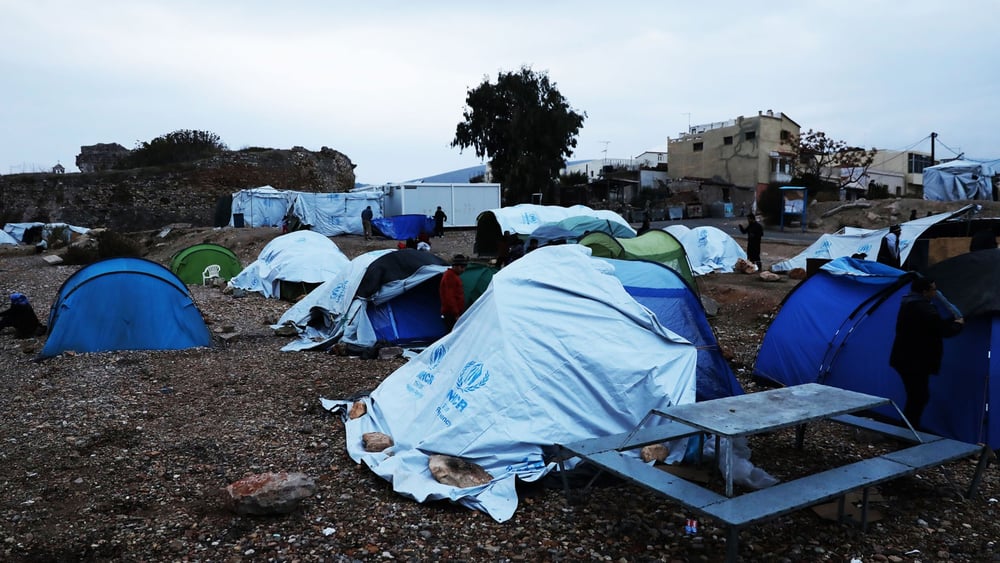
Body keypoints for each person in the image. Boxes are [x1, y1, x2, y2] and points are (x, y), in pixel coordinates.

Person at [889, 275, 964, 429]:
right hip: (915, 362)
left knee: (916, 395)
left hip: (905, 359)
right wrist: (958, 324)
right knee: (919, 397)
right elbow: (942, 330)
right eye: (933, 290)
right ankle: (908, 430)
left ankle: (908, 428)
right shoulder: (925, 308)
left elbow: (932, 325)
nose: (935, 293)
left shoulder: (909, 303)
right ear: (925, 292)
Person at [439, 254, 467, 333]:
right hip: (451, 314)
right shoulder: (450, 277)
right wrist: (456, 314)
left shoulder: (453, 276)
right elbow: (449, 297)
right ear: (456, 266)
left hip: (454, 313)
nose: (463, 270)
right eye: (462, 267)